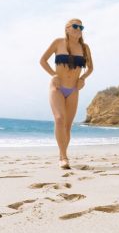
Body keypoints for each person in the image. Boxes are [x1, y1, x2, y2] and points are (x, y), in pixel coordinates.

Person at [40, 19, 93, 169]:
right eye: (75, 26)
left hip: (73, 90)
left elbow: (90, 68)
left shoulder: (85, 47)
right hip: (57, 88)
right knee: (59, 119)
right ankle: (63, 157)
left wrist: (82, 78)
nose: (78, 29)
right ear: (67, 29)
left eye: (81, 27)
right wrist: (53, 75)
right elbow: (43, 60)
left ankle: (62, 154)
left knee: (68, 126)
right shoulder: (58, 42)